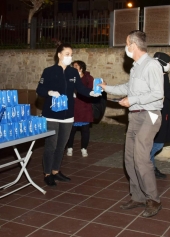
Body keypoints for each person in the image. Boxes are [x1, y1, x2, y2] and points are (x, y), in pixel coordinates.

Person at [100, 30, 164, 218]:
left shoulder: (152, 65)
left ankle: (154, 199)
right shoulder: (136, 67)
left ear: (133, 45)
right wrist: (106, 88)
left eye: (126, 43)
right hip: (135, 117)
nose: (125, 47)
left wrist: (133, 99)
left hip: (150, 115)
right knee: (129, 158)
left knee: (141, 158)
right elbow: (127, 88)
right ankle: (137, 197)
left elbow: (158, 93)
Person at [36, 43, 100, 186]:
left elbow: (81, 88)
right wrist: (49, 92)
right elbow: (39, 89)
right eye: (67, 54)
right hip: (51, 114)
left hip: (68, 115)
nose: (69, 57)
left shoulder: (73, 72)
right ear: (59, 55)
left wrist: (92, 92)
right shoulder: (49, 71)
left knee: (61, 145)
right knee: (51, 145)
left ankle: (55, 171)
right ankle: (47, 173)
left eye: (71, 55)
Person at [66, 60, 94, 157]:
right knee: (71, 130)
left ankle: (84, 149)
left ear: (81, 68)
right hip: (73, 107)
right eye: (72, 66)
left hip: (85, 108)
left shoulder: (88, 78)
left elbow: (91, 89)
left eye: (76, 66)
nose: (73, 67)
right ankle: (70, 148)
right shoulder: (70, 78)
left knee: (85, 130)